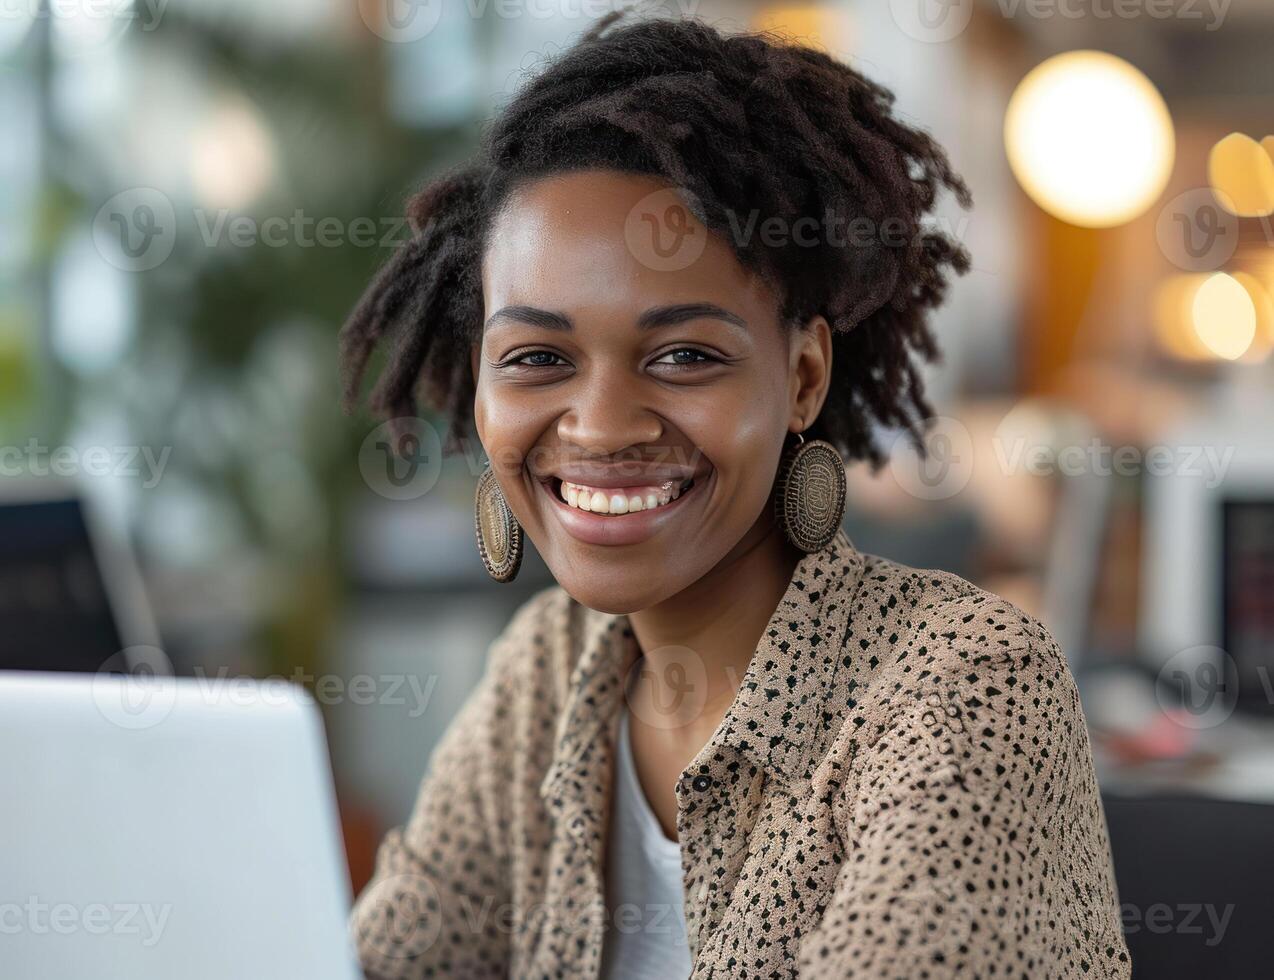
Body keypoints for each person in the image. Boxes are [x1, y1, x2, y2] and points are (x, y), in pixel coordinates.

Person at [338, 11, 1130, 979]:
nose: (597, 425)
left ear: (799, 376)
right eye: (537, 357)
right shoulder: (543, 675)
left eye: (682, 355)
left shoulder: (960, 684)